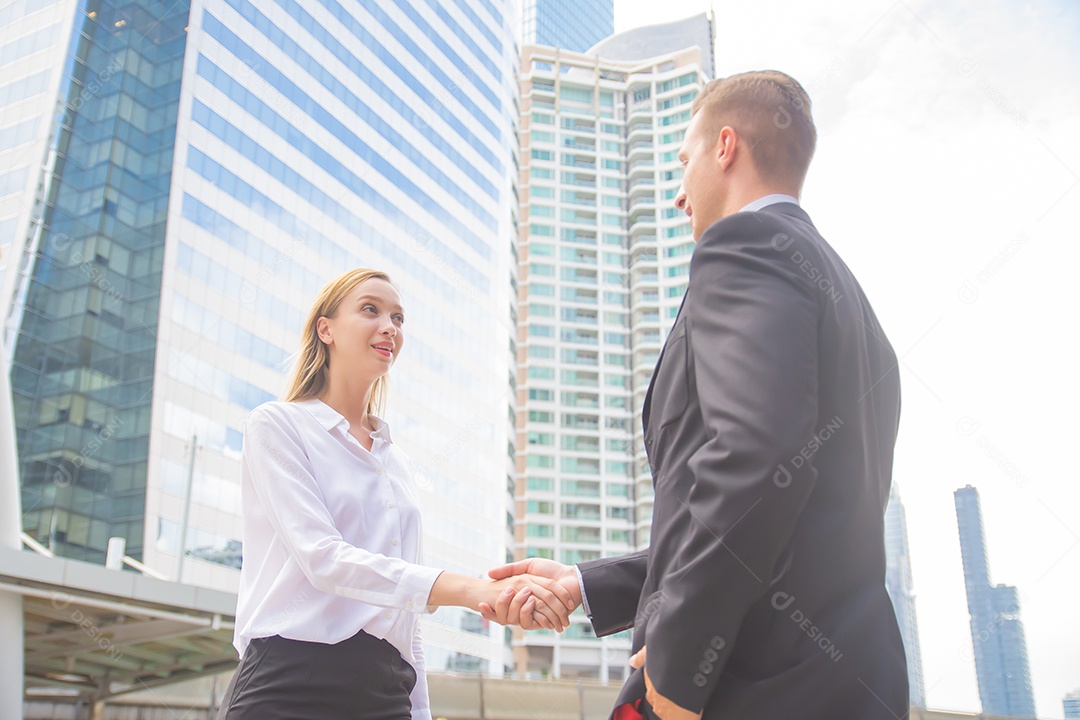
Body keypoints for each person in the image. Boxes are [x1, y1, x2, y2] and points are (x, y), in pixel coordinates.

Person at [481, 71, 908, 720]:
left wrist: (681, 662)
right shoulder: (856, 308)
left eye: (684, 161)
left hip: (749, 685)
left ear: (726, 147)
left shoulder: (746, 246)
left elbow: (755, 463)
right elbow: (787, 505)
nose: (679, 194)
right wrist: (587, 585)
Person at [217, 269, 574, 720]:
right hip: (290, 682)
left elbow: (403, 612)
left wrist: (418, 711)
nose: (390, 326)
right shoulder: (277, 425)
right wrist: (474, 590)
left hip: (388, 691)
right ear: (325, 329)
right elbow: (323, 558)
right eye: (371, 310)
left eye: (398, 318)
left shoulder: (396, 462)